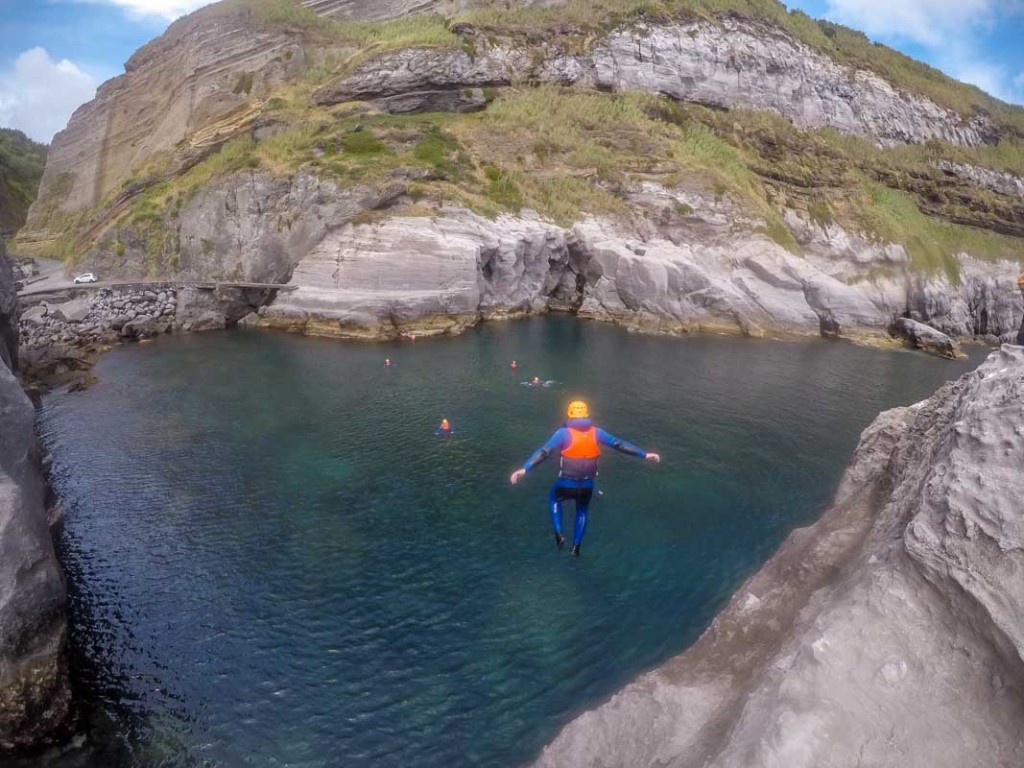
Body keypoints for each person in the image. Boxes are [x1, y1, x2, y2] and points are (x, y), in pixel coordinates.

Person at [510, 400, 660, 557]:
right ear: (587, 414)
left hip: (566, 483)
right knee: (581, 511)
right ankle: (576, 548)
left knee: (554, 499)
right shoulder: (597, 432)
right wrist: (644, 454)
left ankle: (559, 534)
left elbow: (544, 452)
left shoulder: (563, 433)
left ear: (570, 414)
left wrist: (525, 468)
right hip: (587, 486)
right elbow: (619, 444)